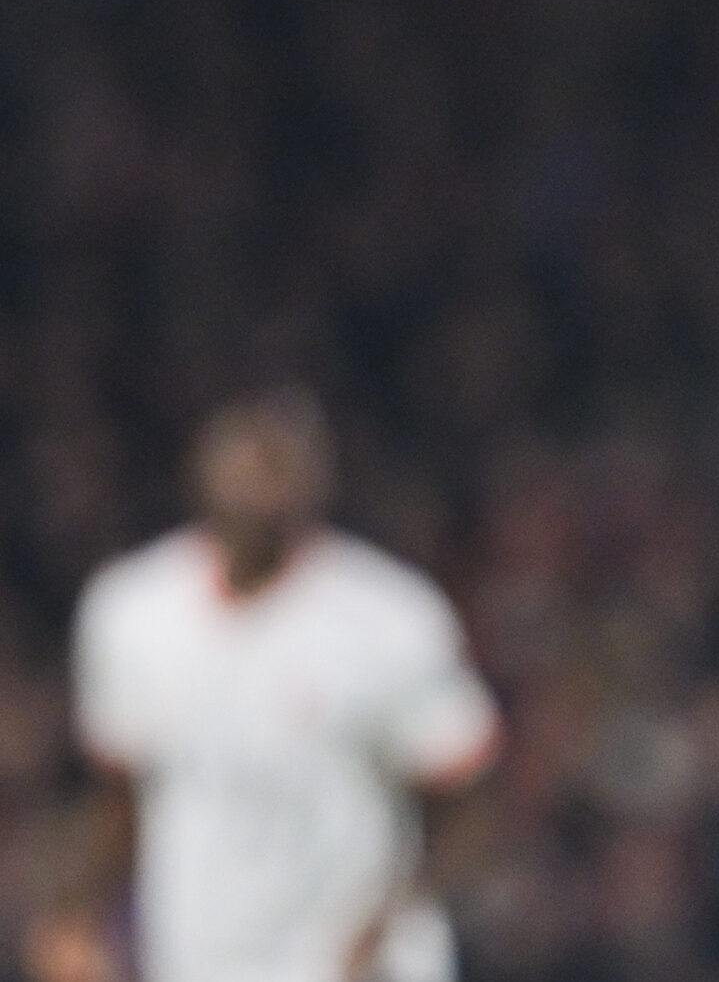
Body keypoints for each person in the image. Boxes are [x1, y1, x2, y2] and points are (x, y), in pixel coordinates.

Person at [30, 388, 500, 982]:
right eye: (244, 461)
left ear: (315, 481)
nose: (258, 482)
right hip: (199, 957)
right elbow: (124, 790)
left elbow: (465, 786)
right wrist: (79, 913)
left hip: (348, 963)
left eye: (277, 465)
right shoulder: (132, 611)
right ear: (199, 470)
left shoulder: (388, 618)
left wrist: (395, 915)